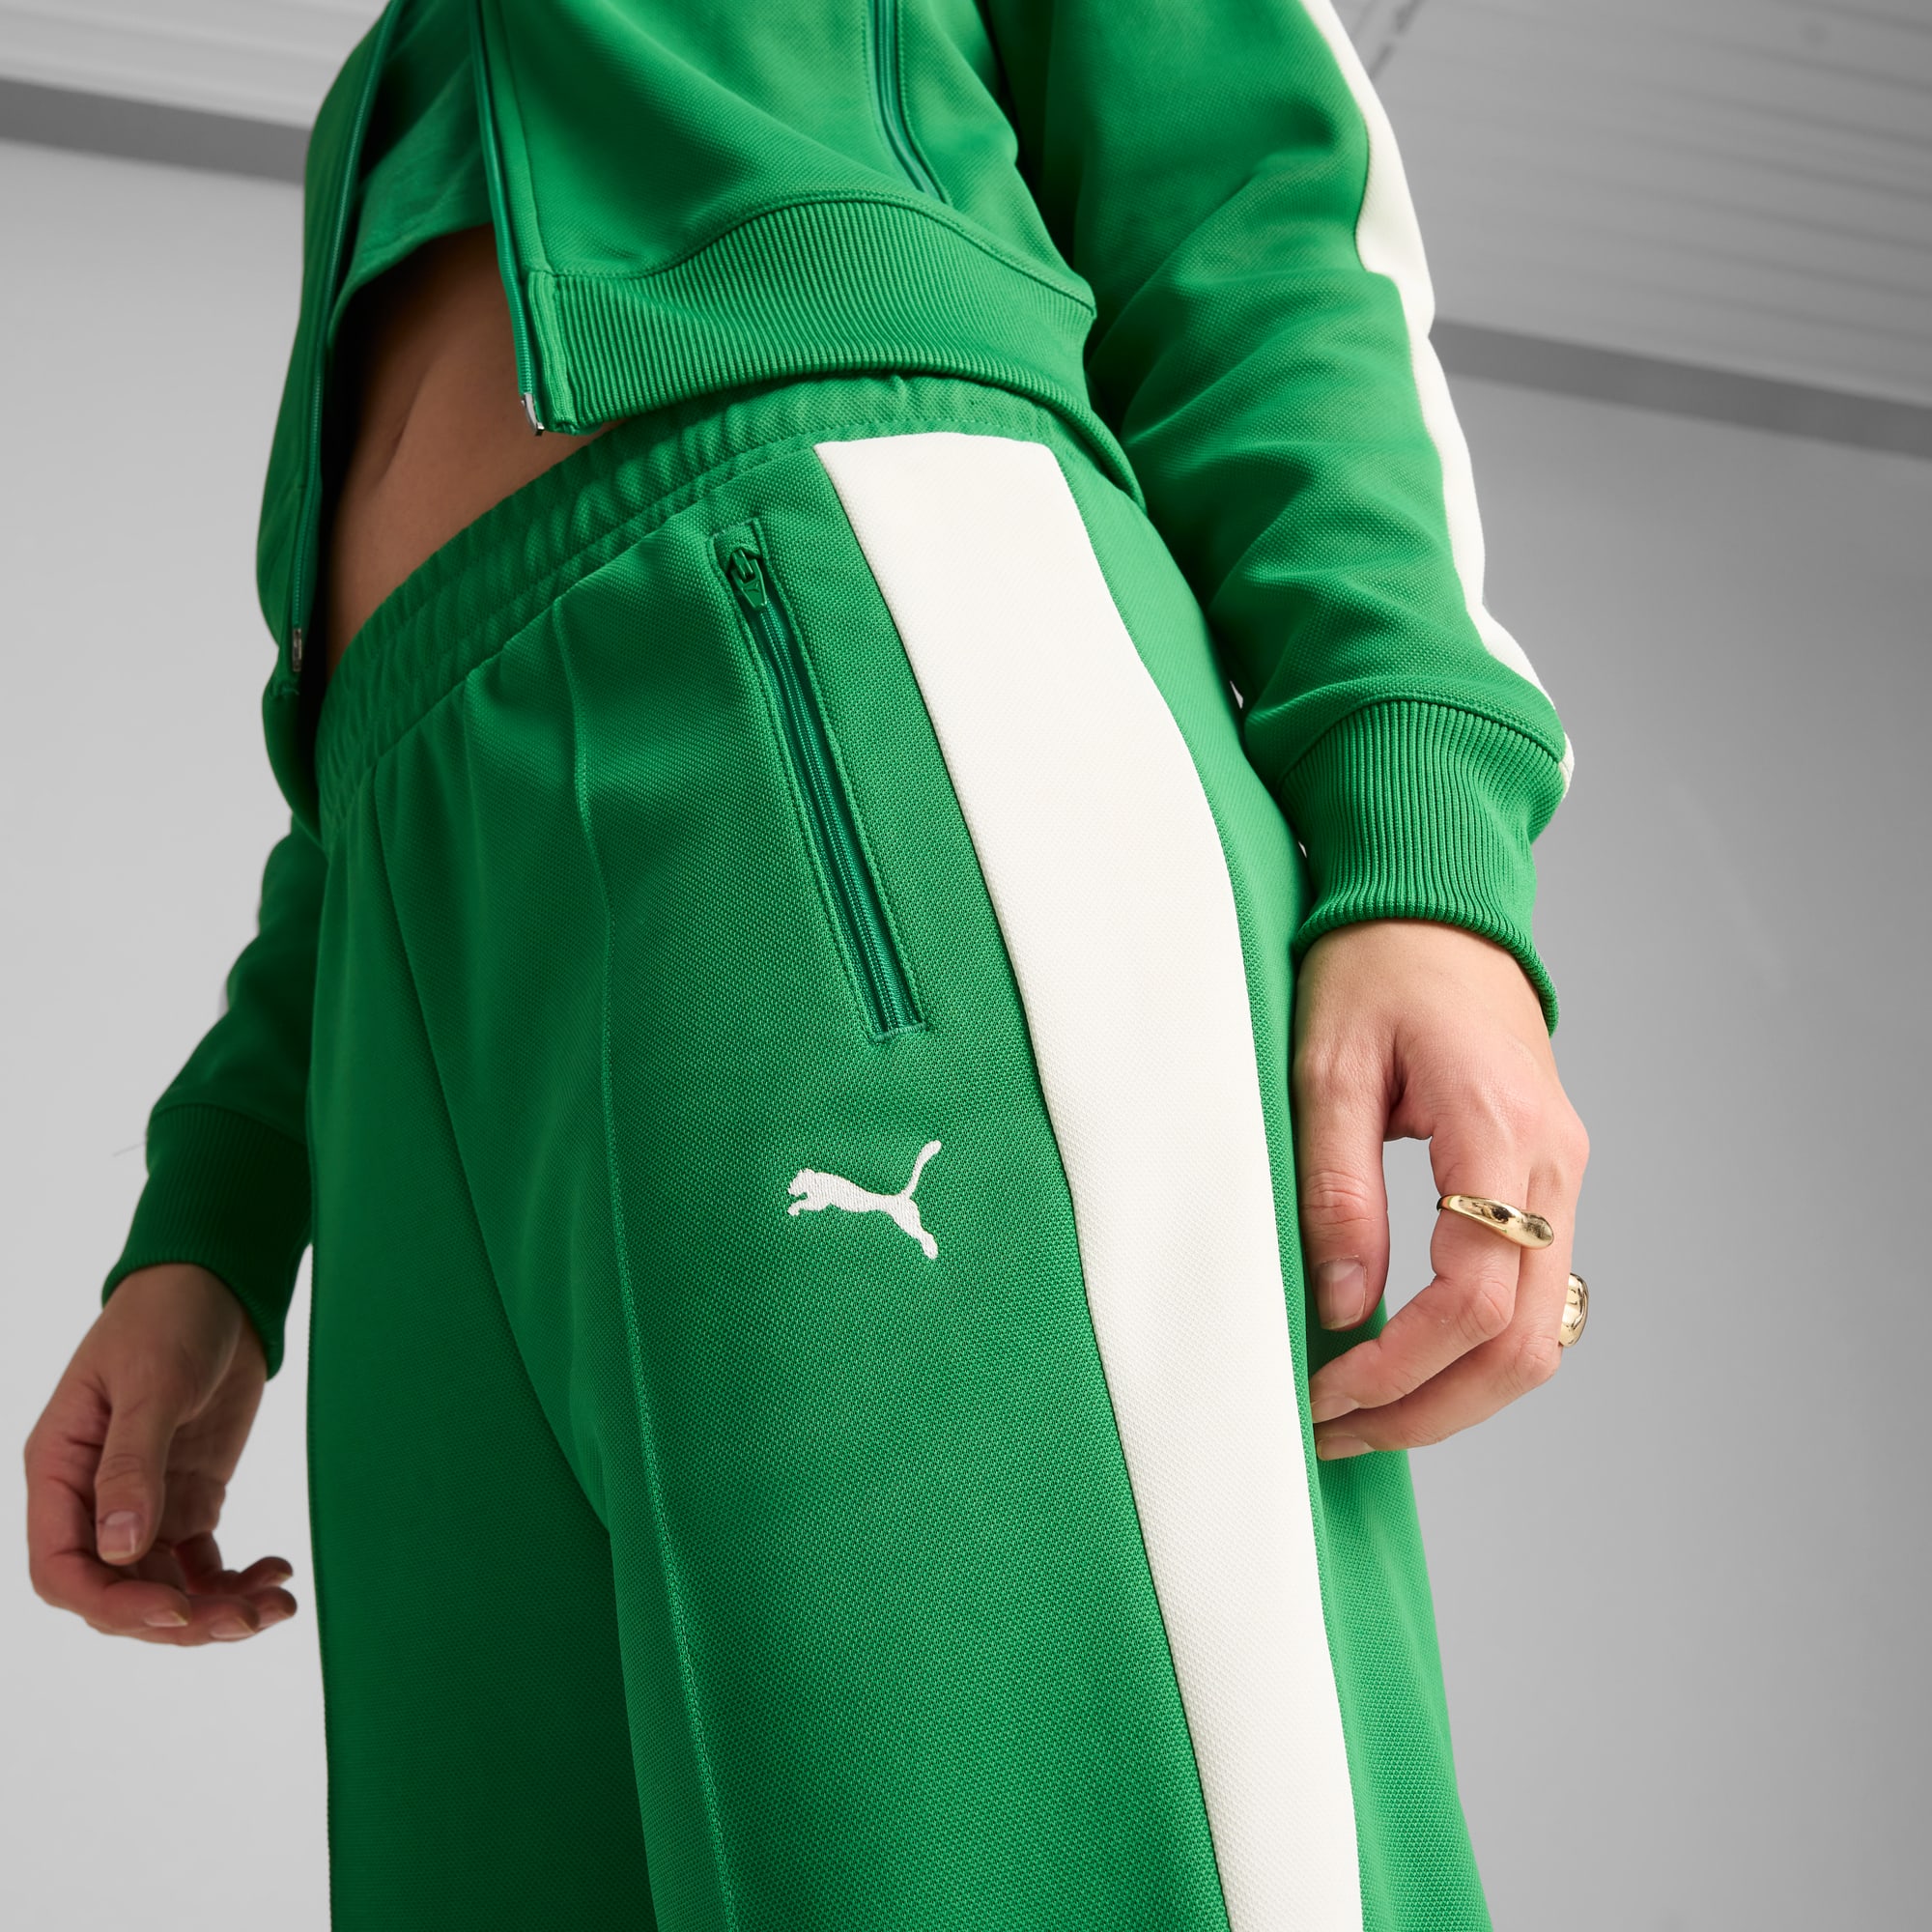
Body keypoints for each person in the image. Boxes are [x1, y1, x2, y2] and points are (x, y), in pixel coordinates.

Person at [22, 1, 1591, 1925]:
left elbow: (1257, 219)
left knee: (1024, 1846)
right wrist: (214, 1223)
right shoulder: (400, 77)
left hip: (815, 672)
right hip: (417, 910)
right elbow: (339, 804)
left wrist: (1426, 851)